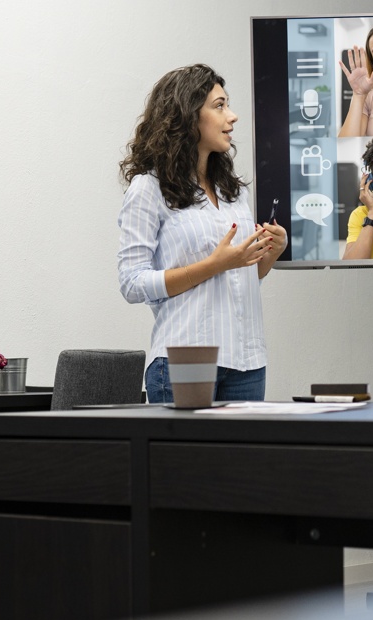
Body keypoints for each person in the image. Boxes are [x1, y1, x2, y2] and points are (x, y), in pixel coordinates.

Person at [117, 64, 286, 403]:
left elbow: (243, 276)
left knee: (242, 458)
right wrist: (213, 265)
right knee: (185, 460)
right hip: (185, 359)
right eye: (220, 105)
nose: (233, 116)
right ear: (187, 115)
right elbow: (132, 283)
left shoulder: (235, 192)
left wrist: (270, 253)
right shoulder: (148, 188)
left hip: (247, 361)